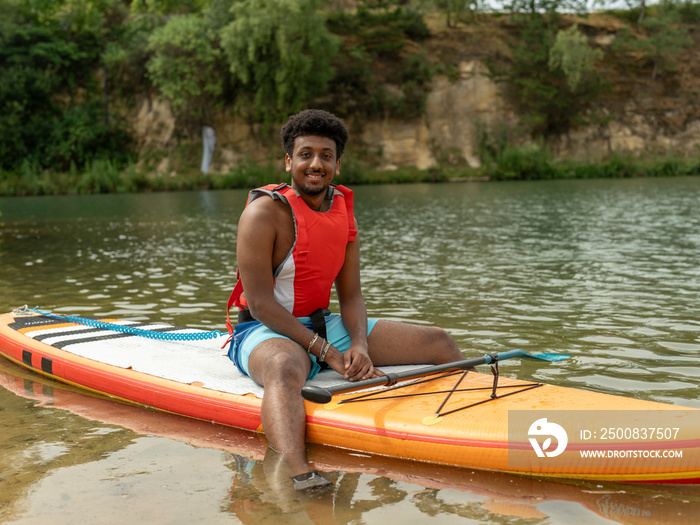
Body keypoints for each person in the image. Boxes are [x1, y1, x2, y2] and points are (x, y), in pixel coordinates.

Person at [226, 109, 463, 490]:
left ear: (337, 164)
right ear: (289, 161)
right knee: (285, 367)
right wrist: (326, 352)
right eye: (305, 154)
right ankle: (297, 473)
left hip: (322, 323)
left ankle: (471, 429)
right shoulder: (261, 214)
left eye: (326, 155)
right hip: (264, 330)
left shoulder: (342, 212)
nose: (315, 164)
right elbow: (260, 304)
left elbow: (351, 295)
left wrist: (358, 345)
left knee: (439, 342)